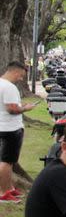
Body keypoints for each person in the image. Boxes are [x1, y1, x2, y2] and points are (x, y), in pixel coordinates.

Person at [1, 61, 37, 202]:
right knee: (6, 162)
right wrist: (26, 108)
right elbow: (12, 109)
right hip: (10, 128)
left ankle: (9, 188)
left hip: (3, 126)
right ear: (15, 72)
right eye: (21, 76)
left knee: (7, 161)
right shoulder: (9, 87)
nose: (21, 79)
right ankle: (3, 192)